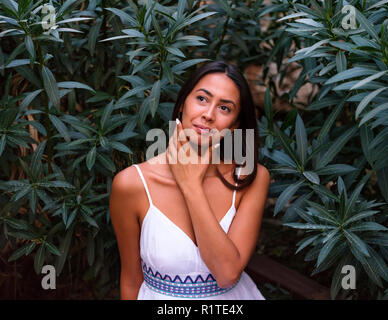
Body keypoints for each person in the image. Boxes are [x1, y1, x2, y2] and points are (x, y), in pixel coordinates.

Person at [109, 61, 271, 300]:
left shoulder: (250, 178)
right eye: (202, 99)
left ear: (234, 126)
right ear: (183, 103)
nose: (208, 114)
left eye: (225, 108)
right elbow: (131, 281)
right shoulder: (131, 184)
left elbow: (227, 274)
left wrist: (190, 185)